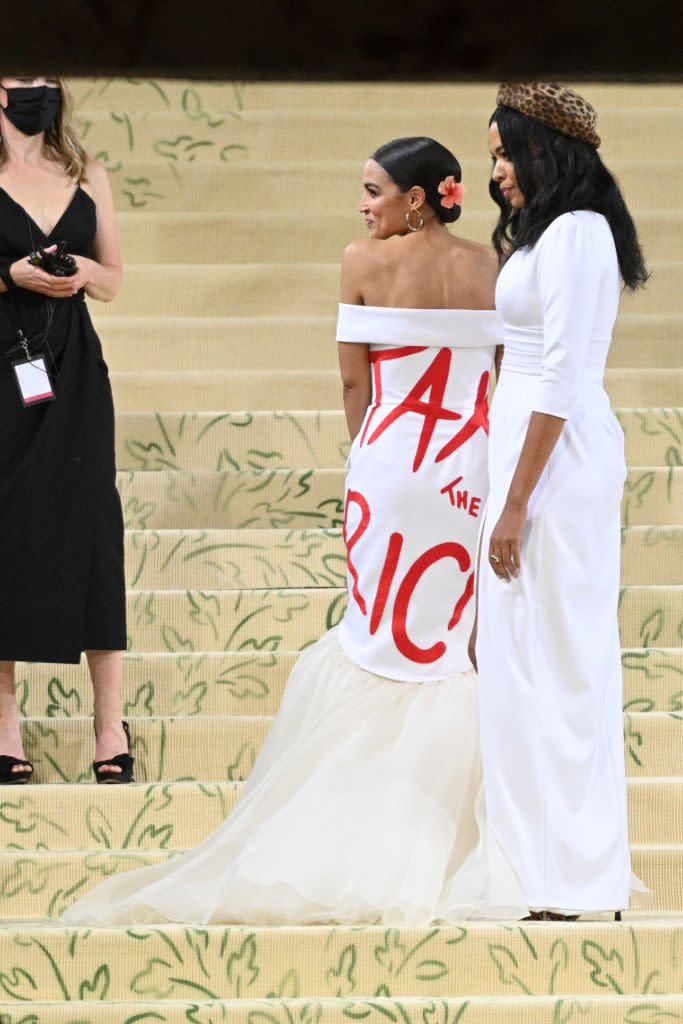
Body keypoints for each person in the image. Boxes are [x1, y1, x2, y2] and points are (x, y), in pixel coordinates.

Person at [62, 137, 527, 926]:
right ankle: (452, 846)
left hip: (390, 466)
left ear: (418, 197)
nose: (363, 204)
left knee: (376, 642)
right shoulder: (494, 265)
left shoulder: (360, 260)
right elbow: (507, 376)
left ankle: (355, 828)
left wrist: (372, 457)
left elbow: (355, 380)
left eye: (374, 189)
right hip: (468, 472)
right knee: (454, 646)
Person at [474, 83, 650, 920]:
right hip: (516, 463)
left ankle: (581, 878)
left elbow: (565, 379)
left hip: (558, 468)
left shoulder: (580, 235)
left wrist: (515, 501)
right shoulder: (543, 235)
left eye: (505, 152)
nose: (497, 171)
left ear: (547, 149)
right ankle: (528, 871)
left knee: (566, 664)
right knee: (516, 663)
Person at [0, 76, 133, 785]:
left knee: (91, 528)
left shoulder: (88, 172)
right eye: (21, 79)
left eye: (46, 79)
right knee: (6, 528)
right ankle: (3, 723)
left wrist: (78, 269)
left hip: (74, 368)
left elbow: (113, 279)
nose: (35, 91)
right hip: (4, 367)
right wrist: (10, 276)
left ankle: (109, 723)